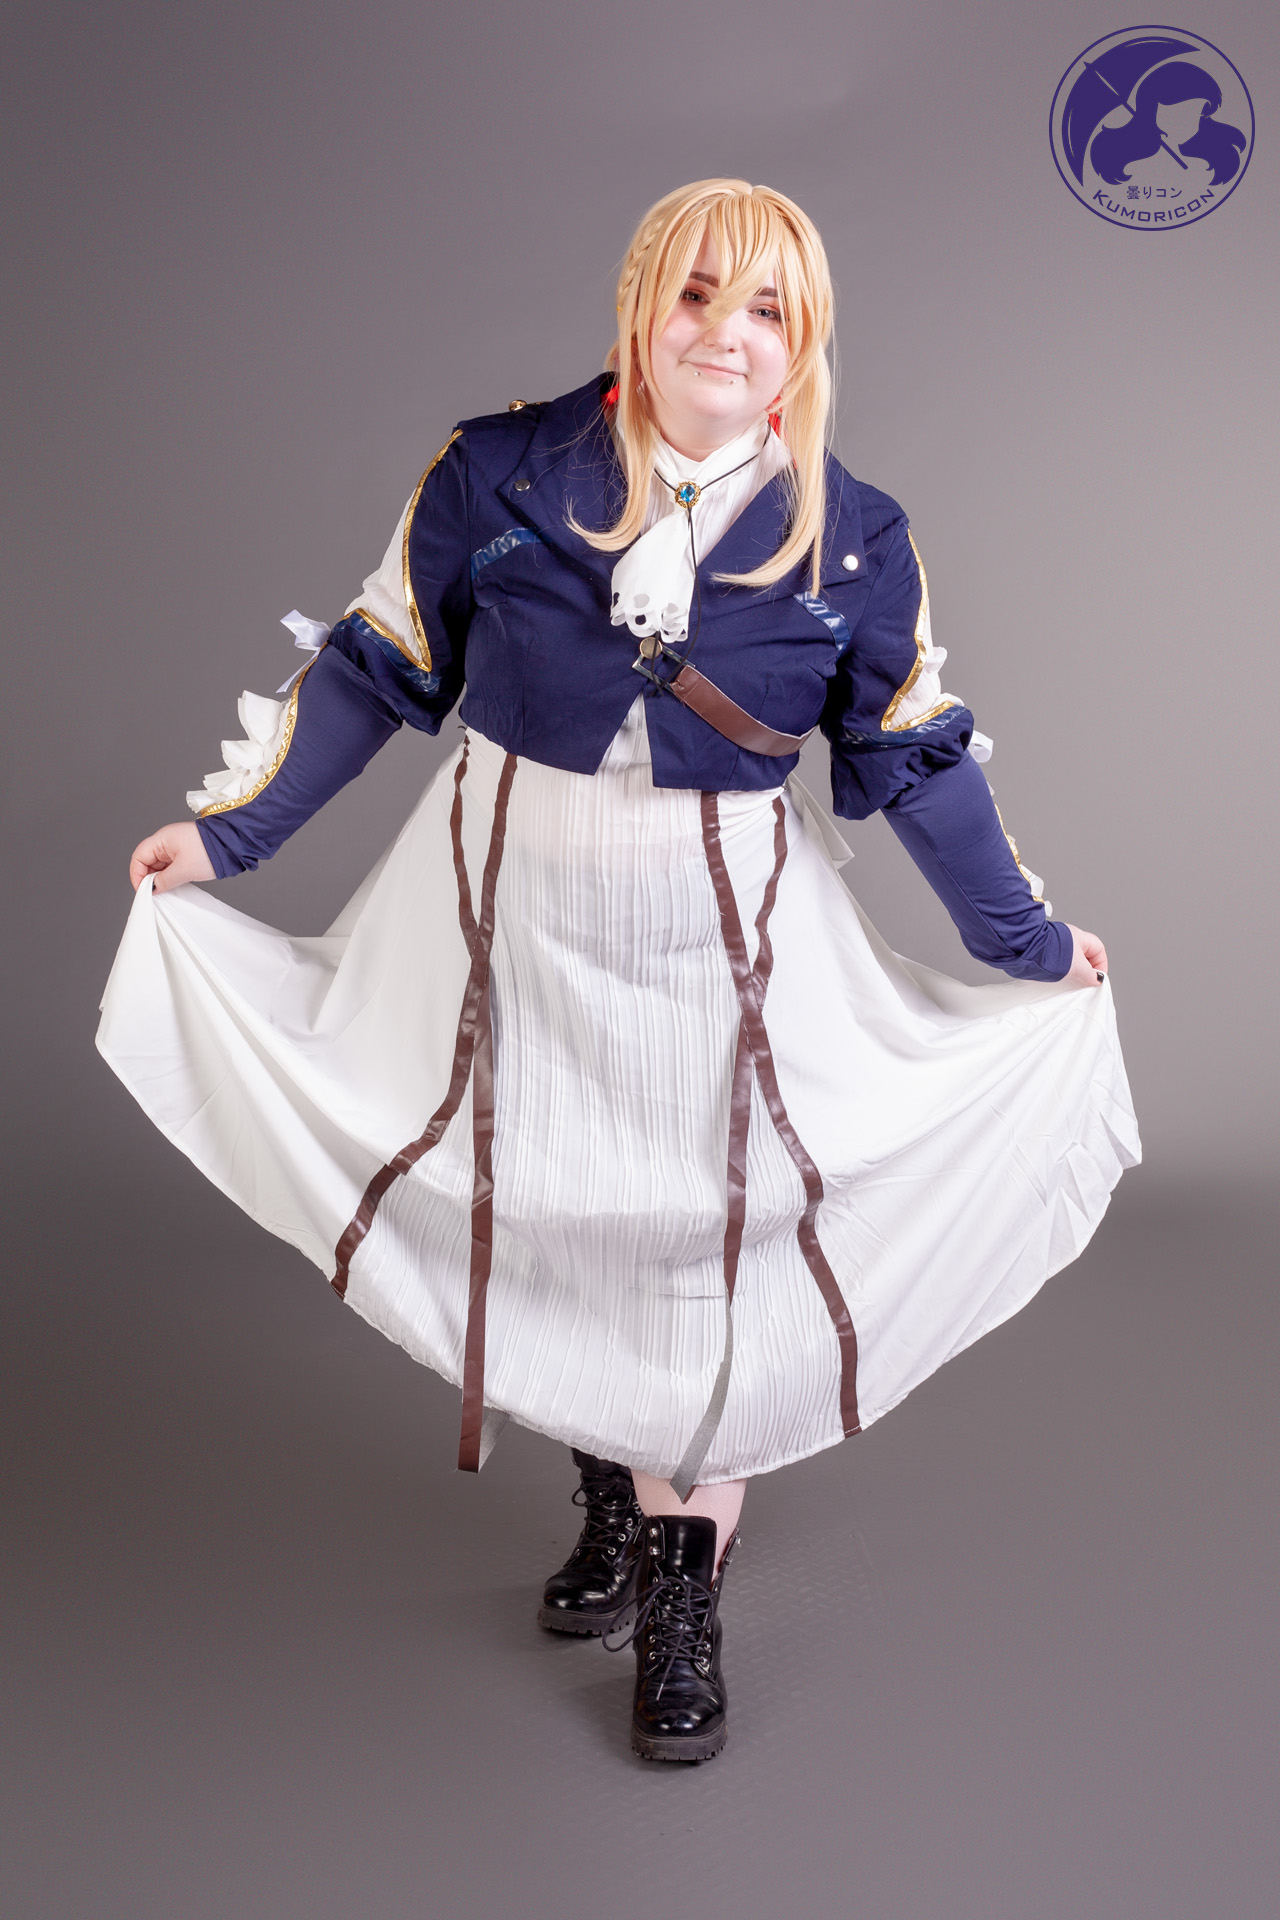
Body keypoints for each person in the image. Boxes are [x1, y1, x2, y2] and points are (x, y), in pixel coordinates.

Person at [99, 179, 1140, 1765]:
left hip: (721, 946)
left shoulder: (857, 536)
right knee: (547, 1206)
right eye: (697, 294)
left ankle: (681, 1581)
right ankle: (610, 1481)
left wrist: (1029, 944)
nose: (727, 333)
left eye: (767, 309)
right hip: (500, 913)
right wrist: (227, 837)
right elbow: (380, 665)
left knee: (698, 1240)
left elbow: (917, 759)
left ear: (804, 345)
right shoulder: (497, 469)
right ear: (639, 306)